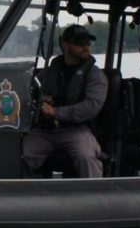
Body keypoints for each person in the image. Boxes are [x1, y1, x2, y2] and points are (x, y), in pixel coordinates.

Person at [23, 24, 108, 178]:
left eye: (88, 43)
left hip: (76, 130)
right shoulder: (49, 72)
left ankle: (95, 196)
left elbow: (91, 107)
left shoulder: (95, 75)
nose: (86, 47)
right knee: (21, 153)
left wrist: (55, 112)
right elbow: (31, 93)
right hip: (44, 132)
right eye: (80, 44)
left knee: (86, 156)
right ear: (66, 44)